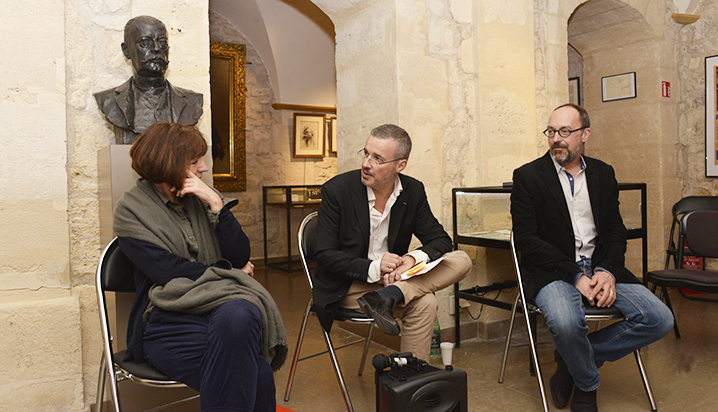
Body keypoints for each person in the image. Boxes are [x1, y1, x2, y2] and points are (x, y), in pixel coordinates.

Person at [113, 121, 286, 412]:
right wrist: (230, 275)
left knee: (240, 311)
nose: (204, 168)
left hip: (216, 312)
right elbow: (168, 272)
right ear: (169, 165)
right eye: (195, 162)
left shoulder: (202, 197)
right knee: (258, 374)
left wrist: (216, 204)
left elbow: (241, 254)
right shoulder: (131, 211)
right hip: (167, 321)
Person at [510, 104, 673, 412]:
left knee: (660, 318)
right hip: (553, 271)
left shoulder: (603, 173)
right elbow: (527, 241)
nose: (557, 139)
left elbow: (615, 231)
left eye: (565, 132)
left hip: (600, 268)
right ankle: (587, 384)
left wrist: (607, 272)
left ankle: (571, 360)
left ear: (585, 134)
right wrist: (575, 276)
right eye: (551, 131)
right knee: (567, 325)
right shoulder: (528, 177)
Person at [312, 124, 473, 361]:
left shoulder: (412, 191)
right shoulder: (337, 191)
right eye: (366, 153)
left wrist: (410, 259)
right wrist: (375, 267)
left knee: (462, 260)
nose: (366, 163)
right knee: (426, 301)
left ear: (400, 165)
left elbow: (440, 240)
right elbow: (324, 254)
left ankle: (392, 298)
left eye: (377, 158)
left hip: (392, 282)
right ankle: (412, 375)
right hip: (347, 285)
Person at [95, 16, 203, 144]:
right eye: (145, 44)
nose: (156, 49)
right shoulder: (108, 100)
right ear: (126, 50)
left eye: (162, 43)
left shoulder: (192, 102)